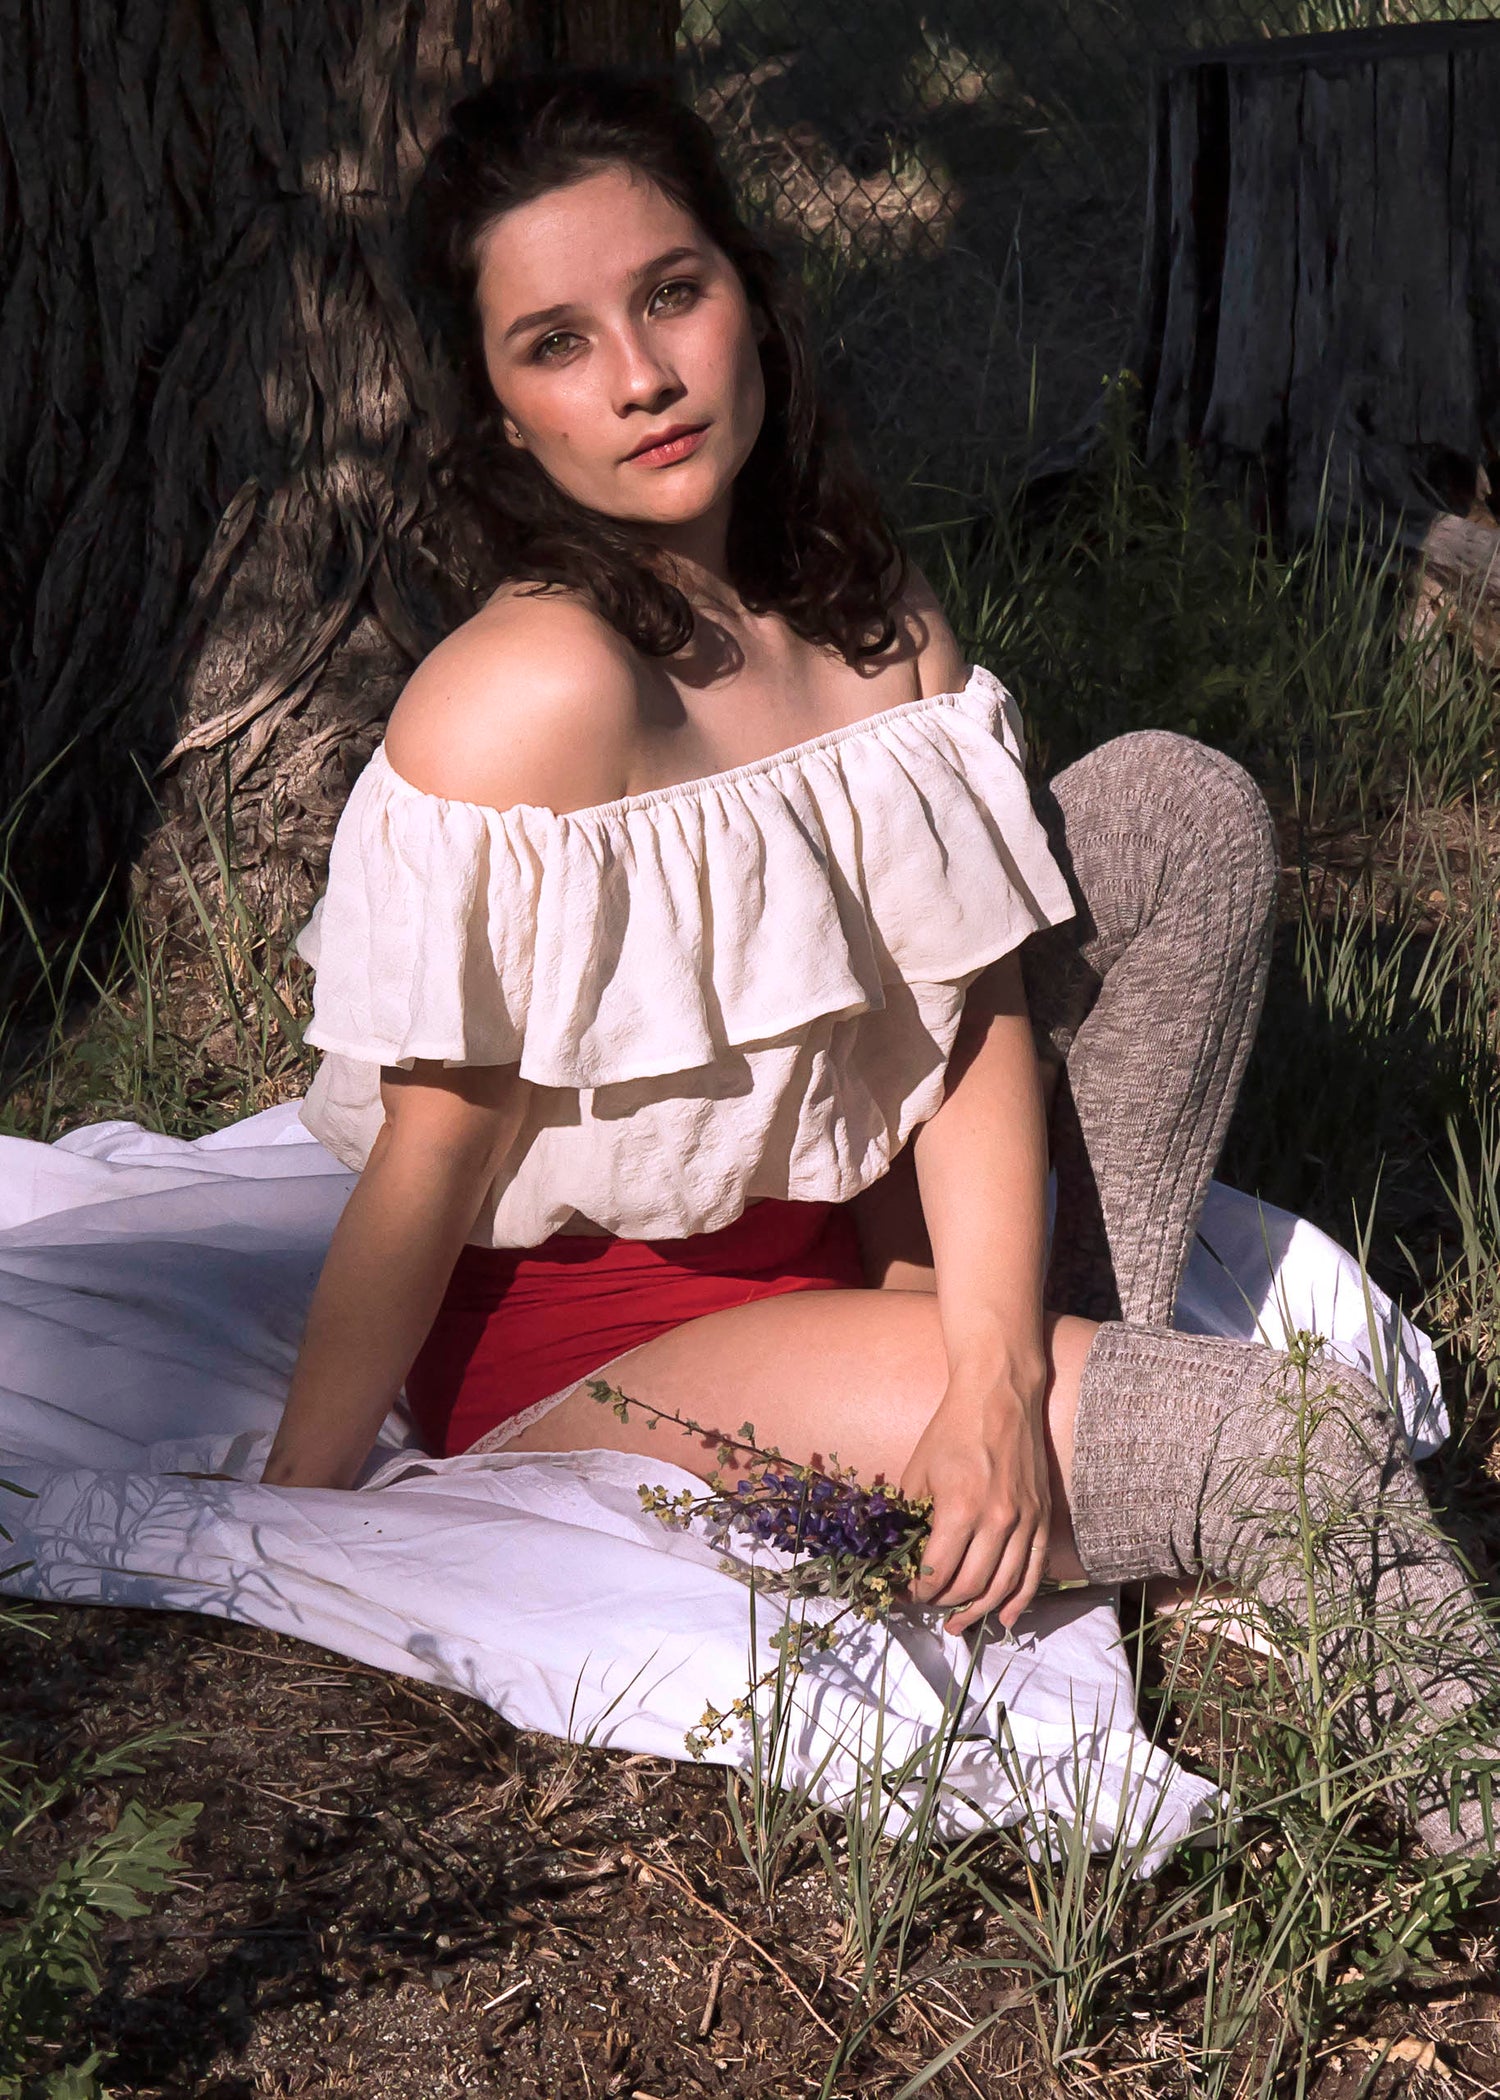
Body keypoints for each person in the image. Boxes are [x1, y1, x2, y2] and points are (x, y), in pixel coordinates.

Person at [263, 70, 1500, 1854]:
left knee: (1173, 808)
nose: (642, 377)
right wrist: (295, 1516)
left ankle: (1080, 1434)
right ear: (500, 422)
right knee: (1290, 1449)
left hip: (874, 1241)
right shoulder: (532, 695)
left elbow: (974, 1020)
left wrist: (993, 1371)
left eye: (671, 292)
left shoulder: (873, 614)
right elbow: (433, 1149)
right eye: (556, 342)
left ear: (749, 292)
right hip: (612, 1342)